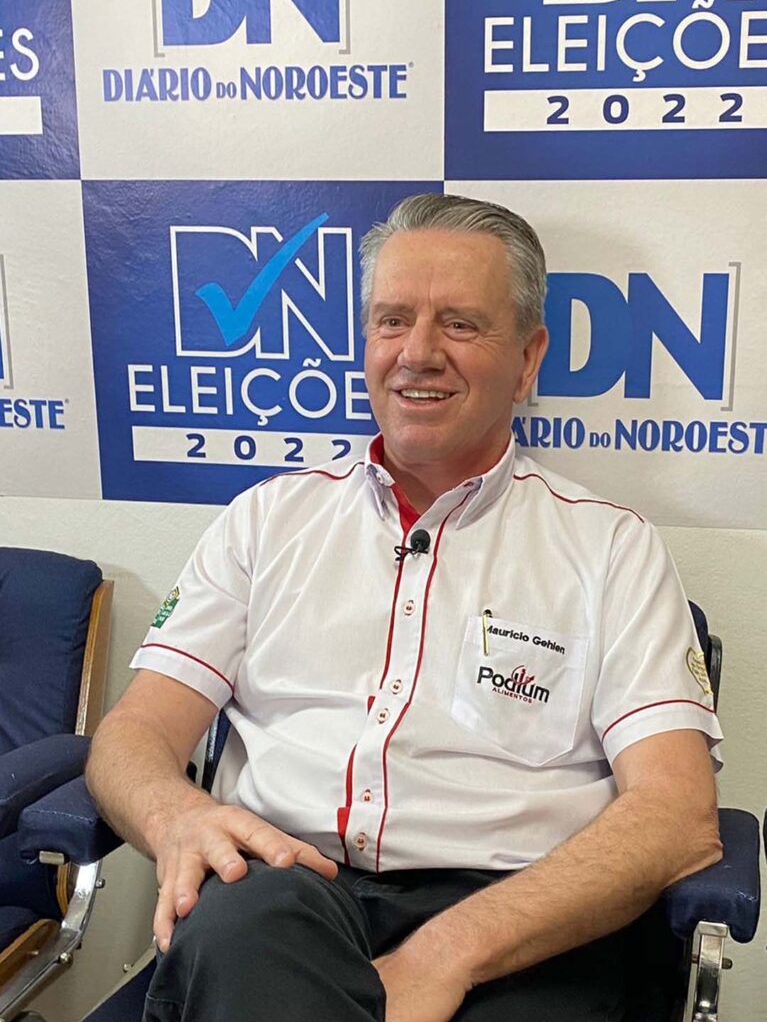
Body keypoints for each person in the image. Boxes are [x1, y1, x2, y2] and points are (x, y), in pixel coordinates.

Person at [86, 194, 723, 1022]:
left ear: (527, 359)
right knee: (239, 934)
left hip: (517, 915)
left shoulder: (611, 548)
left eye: (459, 324)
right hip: (280, 895)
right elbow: (133, 735)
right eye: (392, 321)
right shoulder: (265, 521)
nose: (417, 354)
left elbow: (675, 817)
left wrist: (444, 954)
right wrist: (175, 814)